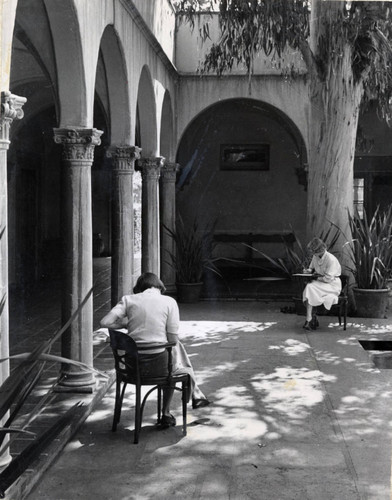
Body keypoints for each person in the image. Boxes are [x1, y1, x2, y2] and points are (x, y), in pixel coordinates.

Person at [100, 272, 210, 429]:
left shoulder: (128, 300)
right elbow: (172, 340)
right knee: (174, 350)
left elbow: (105, 322)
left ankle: (196, 392)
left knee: (174, 349)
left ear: (139, 288)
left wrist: (125, 325)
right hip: (159, 366)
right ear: (159, 286)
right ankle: (167, 412)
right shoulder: (169, 302)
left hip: (132, 367)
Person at [302, 238, 342, 331]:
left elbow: (328, 278)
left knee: (310, 287)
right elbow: (311, 268)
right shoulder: (316, 257)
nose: (312, 254)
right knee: (309, 287)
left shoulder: (331, 259)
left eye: (313, 251)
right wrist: (308, 271)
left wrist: (315, 278)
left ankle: (309, 319)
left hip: (332, 285)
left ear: (320, 250)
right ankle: (309, 318)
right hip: (321, 283)